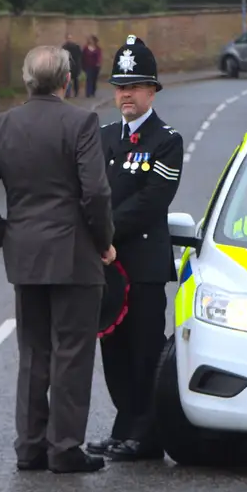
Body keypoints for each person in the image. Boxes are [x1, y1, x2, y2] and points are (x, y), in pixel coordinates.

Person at [0, 45, 115, 474]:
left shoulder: (3, 125)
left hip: (25, 255)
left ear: (27, 80)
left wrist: (6, 235)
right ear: (67, 80)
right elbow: (97, 193)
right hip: (75, 255)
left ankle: (29, 446)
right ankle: (64, 447)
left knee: (33, 352)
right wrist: (103, 241)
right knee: (72, 352)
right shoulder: (81, 122)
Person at [87, 35, 181, 463]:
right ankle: (124, 427)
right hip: (107, 268)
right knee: (114, 352)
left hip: (141, 265)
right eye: (121, 87)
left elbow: (151, 202)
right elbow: (89, 192)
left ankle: (146, 435)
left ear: (152, 91)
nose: (126, 94)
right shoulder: (103, 136)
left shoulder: (166, 140)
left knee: (143, 352)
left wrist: (105, 235)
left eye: (136, 86)